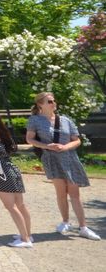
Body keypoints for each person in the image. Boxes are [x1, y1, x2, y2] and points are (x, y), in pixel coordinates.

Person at [26, 92, 100, 240]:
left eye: (54, 101)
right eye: (50, 101)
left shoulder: (66, 120)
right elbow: (29, 139)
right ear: (40, 104)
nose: (54, 103)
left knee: (74, 194)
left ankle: (83, 227)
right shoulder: (34, 120)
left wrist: (65, 147)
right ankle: (65, 221)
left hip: (69, 158)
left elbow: (77, 140)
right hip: (51, 159)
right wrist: (47, 146)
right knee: (61, 192)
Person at [0, 110, 32, 247]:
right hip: (12, 169)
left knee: (11, 206)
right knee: (20, 205)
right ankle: (27, 234)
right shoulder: (4, 133)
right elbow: (9, 150)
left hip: (1, 173)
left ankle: (25, 239)